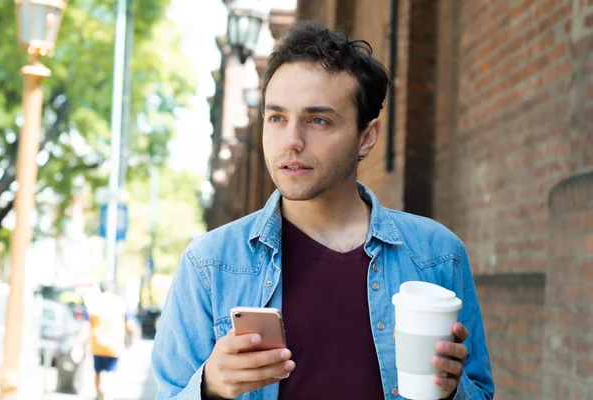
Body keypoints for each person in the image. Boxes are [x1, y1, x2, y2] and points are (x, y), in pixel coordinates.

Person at [152, 20, 494, 400]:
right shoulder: (211, 264)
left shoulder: (437, 255)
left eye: (318, 120)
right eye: (277, 117)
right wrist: (210, 387)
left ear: (366, 137)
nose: (292, 141)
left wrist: (451, 391)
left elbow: (480, 390)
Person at [71, 282, 137, 400]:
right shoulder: (119, 303)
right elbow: (130, 326)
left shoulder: (93, 303)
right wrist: (132, 341)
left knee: (97, 372)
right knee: (111, 372)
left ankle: (99, 395)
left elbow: (86, 326)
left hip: (98, 345)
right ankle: (106, 394)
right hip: (114, 345)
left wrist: (78, 345)